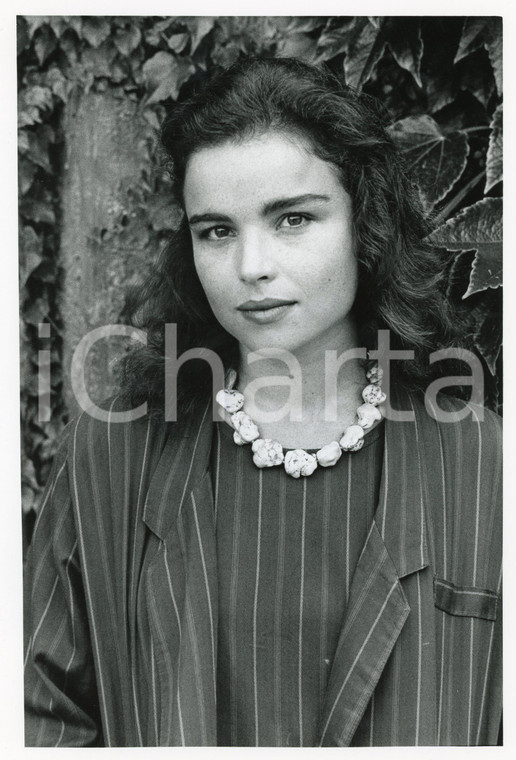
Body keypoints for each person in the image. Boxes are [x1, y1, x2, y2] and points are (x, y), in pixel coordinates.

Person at [24, 57, 502, 747]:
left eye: (293, 219)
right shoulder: (112, 452)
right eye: (216, 230)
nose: (252, 266)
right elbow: (38, 715)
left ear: (364, 224)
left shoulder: (483, 461)